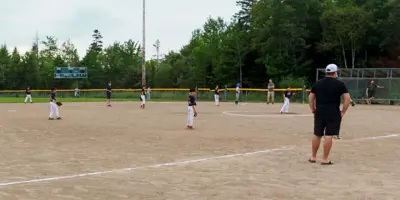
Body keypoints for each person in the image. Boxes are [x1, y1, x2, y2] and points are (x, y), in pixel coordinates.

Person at [308, 64, 351, 165]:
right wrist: (343, 111)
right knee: (329, 135)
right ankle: (325, 158)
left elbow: (310, 98)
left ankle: (313, 157)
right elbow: (347, 99)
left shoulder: (317, 83)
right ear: (335, 73)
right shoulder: (340, 84)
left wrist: (313, 109)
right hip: (333, 112)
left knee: (317, 134)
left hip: (319, 111)